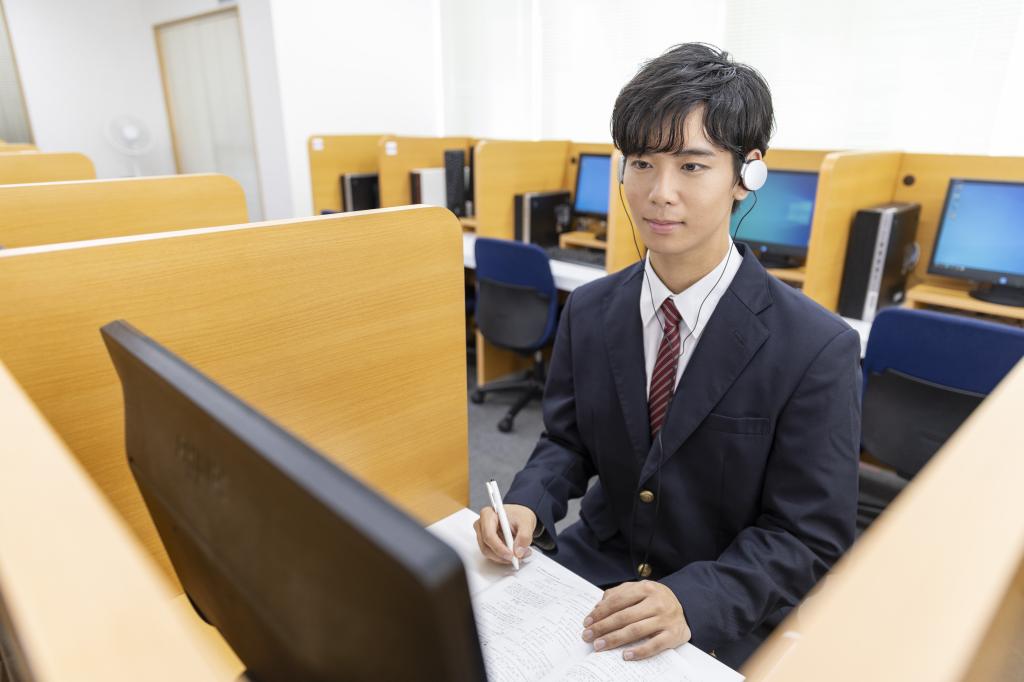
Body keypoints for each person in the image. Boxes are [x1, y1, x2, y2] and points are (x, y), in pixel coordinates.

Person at [473, 42, 862, 668]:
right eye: (642, 163)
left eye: (691, 166)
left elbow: (808, 535)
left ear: (746, 174)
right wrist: (527, 503)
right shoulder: (592, 310)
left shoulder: (815, 348)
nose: (659, 192)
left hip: (718, 601)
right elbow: (568, 442)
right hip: (593, 573)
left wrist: (695, 599)